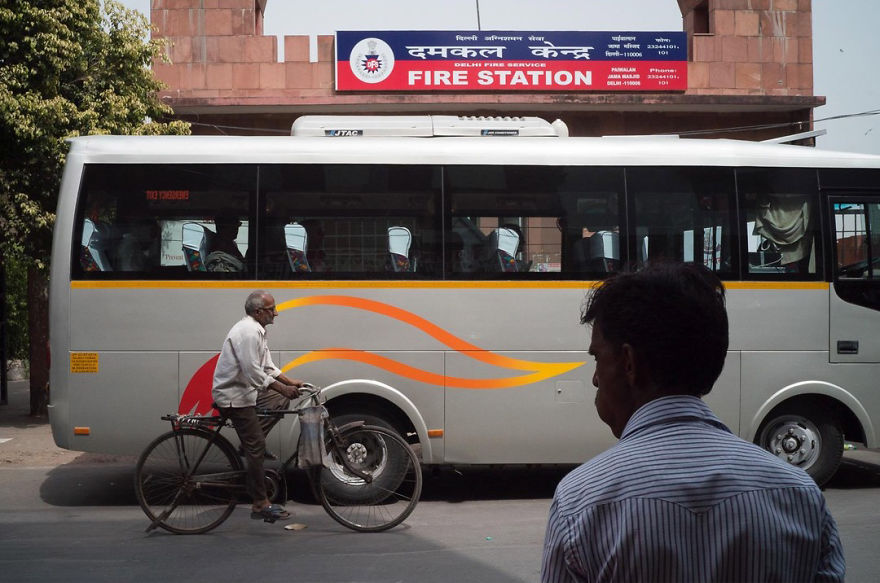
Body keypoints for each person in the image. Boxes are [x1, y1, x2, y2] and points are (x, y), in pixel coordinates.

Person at [541, 263, 845, 583]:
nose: (594, 379)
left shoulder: (580, 502)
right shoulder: (799, 494)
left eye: (597, 358)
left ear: (628, 363)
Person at [212, 290, 307, 523]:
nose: (276, 313)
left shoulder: (257, 330)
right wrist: (281, 387)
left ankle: (251, 443)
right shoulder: (248, 332)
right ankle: (260, 503)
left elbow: (267, 366)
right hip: (234, 396)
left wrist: (289, 381)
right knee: (257, 446)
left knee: (281, 400)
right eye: (271, 309)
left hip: (246, 392)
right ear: (258, 312)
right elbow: (252, 370)